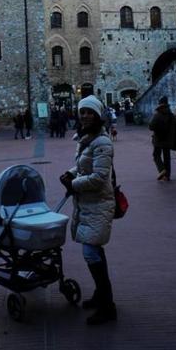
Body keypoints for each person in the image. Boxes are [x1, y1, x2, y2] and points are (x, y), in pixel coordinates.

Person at [59, 95, 117, 326]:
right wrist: (71, 173)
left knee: (91, 252)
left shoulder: (102, 142)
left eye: (90, 112)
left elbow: (100, 177)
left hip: (98, 202)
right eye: (82, 111)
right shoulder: (86, 139)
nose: (85, 115)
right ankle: (101, 295)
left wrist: (73, 184)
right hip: (89, 203)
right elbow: (85, 165)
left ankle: (108, 307)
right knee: (94, 251)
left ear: (98, 115)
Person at [148, 95, 176, 181]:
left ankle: (162, 169)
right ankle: (167, 176)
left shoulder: (157, 115)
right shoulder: (171, 115)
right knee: (167, 157)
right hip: (168, 140)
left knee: (156, 155)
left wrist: (158, 128)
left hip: (158, 139)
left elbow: (151, 126)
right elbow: (175, 126)